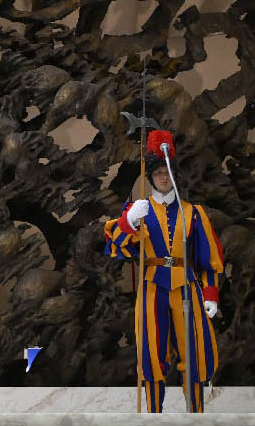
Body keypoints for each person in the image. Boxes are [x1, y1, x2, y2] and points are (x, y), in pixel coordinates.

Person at [103, 132, 225, 413]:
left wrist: (211, 293)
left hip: (186, 284)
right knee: (151, 351)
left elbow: (209, 257)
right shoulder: (138, 210)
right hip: (152, 285)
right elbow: (115, 246)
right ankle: (154, 414)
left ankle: (195, 413)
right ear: (151, 177)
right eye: (157, 173)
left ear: (173, 175)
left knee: (193, 348)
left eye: (165, 172)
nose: (162, 177)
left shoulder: (193, 213)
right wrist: (129, 221)